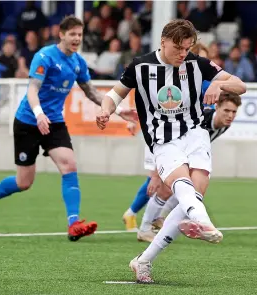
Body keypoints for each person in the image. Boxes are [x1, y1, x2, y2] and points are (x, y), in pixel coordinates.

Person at [96, 19, 246, 283]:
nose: (182, 53)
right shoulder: (140, 66)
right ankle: (204, 223)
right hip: (163, 140)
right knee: (182, 186)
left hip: (195, 134)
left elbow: (240, 84)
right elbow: (113, 95)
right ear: (163, 41)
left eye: (187, 48)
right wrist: (104, 110)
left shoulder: (197, 64)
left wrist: (218, 84)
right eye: (178, 47)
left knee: (193, 193)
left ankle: (143, 261)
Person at [0, 16, 138, 242]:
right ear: (61, 34)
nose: (76, 39)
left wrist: (119, 111)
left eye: (79, 35)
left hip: (54, 122)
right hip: (28, 121)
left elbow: (92, 92)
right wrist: (39, 114)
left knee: (69, 164)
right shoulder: (45, 56)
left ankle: (74, 223)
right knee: (24, 182)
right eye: (72, 34)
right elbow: (32, 90)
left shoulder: (78, 62)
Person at [121, 42, 212, 234]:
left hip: (183, 134)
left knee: (173, 184)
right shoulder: (164, 72)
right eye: (197, 55)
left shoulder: (200, 77)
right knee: (157, 181)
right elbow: (148, 98)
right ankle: (135, 215)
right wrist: (131, 119)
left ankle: (157, 220)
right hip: (162, 135)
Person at [137, 91, 242, 242]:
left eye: (234, 112)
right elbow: (165, 136)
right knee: (166, 190)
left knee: (189, 190)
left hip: (188, 154)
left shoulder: (224, 125)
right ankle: (144, 229)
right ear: (216, 107)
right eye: (226, 110)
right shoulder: (199, 119)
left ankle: (160, 218)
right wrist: (155, 174)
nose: (230, 115)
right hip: (164, 145)